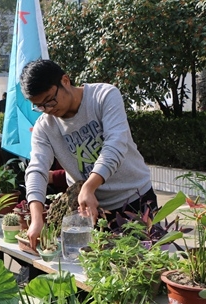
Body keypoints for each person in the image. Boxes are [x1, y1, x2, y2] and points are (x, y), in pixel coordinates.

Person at [21, 59, 155, 249]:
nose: (48, 109)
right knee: (99, 265)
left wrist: (89, 186)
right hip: (91, 210)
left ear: (65, 81)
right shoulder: (45, 127)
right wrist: (36, 218)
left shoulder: (103, 96)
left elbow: (115, 145)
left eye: (50, 100)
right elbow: (37, 169)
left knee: (147, 261)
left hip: (136, 200)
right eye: (40, 106)